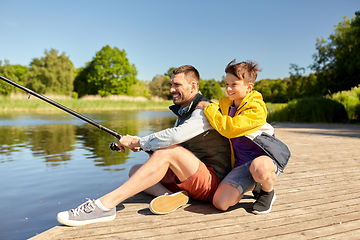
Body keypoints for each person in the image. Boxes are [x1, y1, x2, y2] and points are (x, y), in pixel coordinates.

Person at [57, 65, 232, 226]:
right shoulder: (183, 113)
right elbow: (175, 146)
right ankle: (171, 197)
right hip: (190, 179)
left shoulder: (204, 110)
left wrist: (139, 141)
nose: (172, 89)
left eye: (177, 85)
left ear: (193, 87)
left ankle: (104, 206)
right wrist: (144, 146)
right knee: (135, 170)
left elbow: (175, 137)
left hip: (212, 184)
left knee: (169, 152)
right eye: (171, 84)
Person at [197, 59, 290, 214]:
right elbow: (214, 109)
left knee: (259, 168)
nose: (228, 88)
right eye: (227, 84)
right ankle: (254, 184)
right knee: (220, 202)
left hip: (265, 161)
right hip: (242, 165)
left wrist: (209, 109)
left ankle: (267, 192)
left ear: (248, 87)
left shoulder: (257, 109)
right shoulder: (227, 105)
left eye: (234, 84)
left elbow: (229, 128)